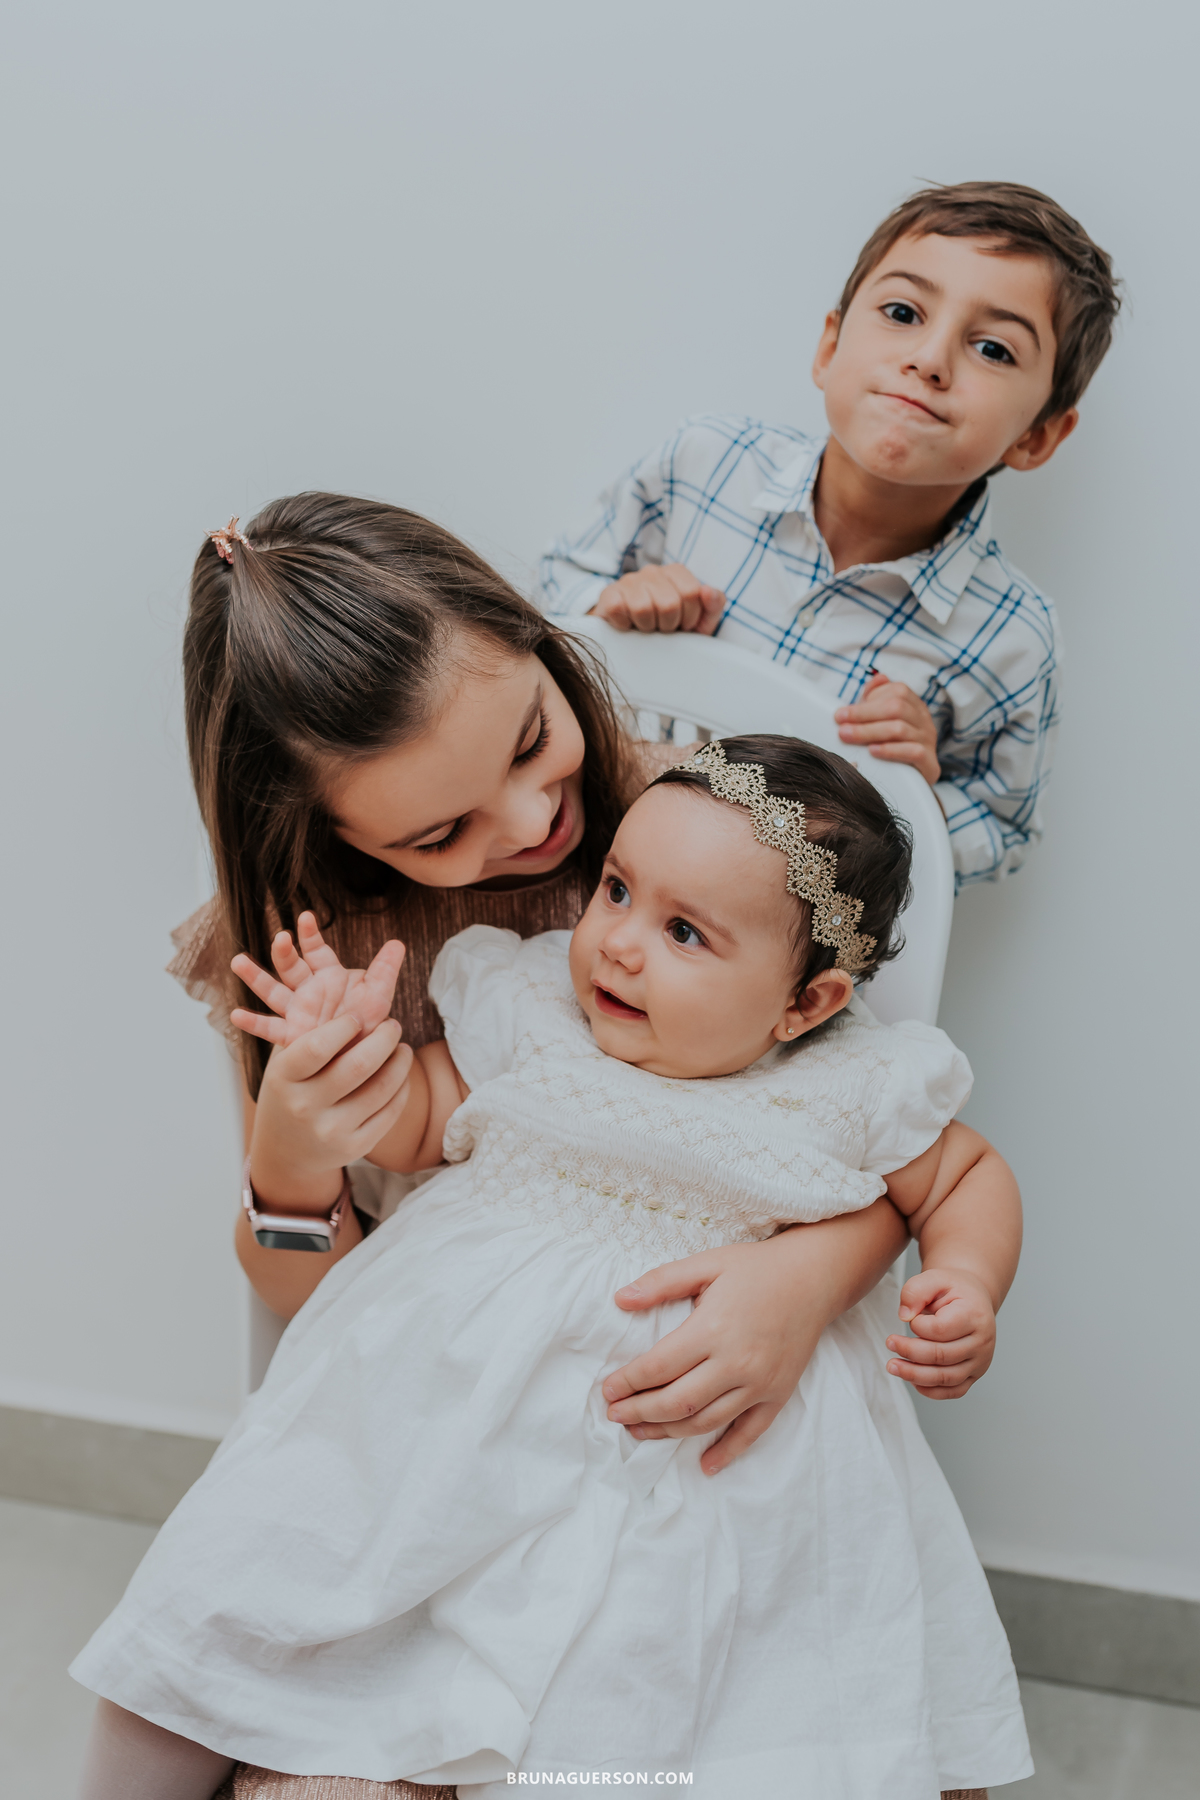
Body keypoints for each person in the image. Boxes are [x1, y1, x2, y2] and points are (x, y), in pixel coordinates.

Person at [156, 500, 998, 1800]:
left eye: (535, 742)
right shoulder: (362, 965)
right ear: (338, 843)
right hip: (459, 1422)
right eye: (438, 834)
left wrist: (840, 1275)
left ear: (536, 640)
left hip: (698, 1431)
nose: (535, 821)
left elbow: (893, 1147)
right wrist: (301, 1138)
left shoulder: (697, 825)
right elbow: (332, 1308)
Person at [537, 180, 1121, 889]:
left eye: (993, 349)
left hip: (771, 970)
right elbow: (543, 603)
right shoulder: (702, 465)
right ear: (829, 346)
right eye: (903, 312)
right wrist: (609, 610)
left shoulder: (1014, 636)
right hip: (577, 872)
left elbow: (1002, 832)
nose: (930, 360)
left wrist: (919, 790)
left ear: (1037, 436)